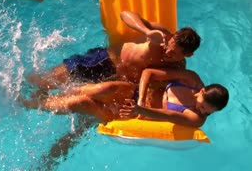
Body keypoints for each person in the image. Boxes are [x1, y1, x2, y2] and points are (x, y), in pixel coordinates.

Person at [27, 11, 202, 90]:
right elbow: (125, 14)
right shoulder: (161, 34)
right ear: (173, 36)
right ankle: (17, 87)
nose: (166, 52)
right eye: (168, 46)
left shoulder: (179, 68)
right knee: (45, 82)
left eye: (172, 54)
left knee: (76, 112)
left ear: (188, 55)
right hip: (102, 62)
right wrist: (146, 31)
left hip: (117, 83)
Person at [22, 67, 229, 128]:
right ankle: (41, 89)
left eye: (208, 112)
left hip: (133, 115)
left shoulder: (196, 119)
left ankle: (32, 104)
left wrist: (138, 110)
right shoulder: (191, 78)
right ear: (201, 91)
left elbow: (166, 115)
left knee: (80, 103)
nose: (203, 113)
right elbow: (149, 72)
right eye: (203, 106)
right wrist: (139, 99)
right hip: (136, 95)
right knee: (100, 90)